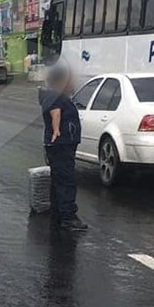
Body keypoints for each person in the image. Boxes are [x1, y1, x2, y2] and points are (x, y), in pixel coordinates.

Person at [39, 63, 88, 231]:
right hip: (61, 143)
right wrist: (57, 131)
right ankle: (68, 216)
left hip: (59, 143)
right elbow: (56, 113)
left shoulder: (52, 94)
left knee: (59, 178)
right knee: (66, 179)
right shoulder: (55, 96)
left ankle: (58, 212)